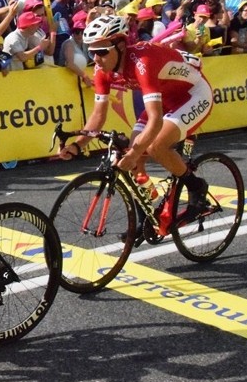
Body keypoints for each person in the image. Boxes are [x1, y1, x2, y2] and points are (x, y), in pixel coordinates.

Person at [57, 15, 213, 227]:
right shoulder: (101, 71)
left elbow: (155, 120)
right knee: (134, 159)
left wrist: (134, 152)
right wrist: (77, 145)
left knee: (156, 146)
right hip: (165, 97)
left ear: (121, 45)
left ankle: (196, 186)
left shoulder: (142, 62)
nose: (96, 58)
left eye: (102, 51)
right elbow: (98, 116)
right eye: (91, 51)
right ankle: (149, 214)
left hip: (193, 94)